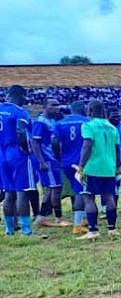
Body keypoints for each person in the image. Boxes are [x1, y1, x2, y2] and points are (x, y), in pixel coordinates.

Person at [77, 99, 121, 240]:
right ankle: (112, 229)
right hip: (109, 167)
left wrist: (81, 166)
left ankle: (93, 231)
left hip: (92, 167)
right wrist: (118, 167)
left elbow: (87, 145)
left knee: (88, 197)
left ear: (89, 111)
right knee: (109, 196)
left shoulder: (88, 125)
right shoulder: (112, 128)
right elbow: (117, 149)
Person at [0, 84, 35, 237]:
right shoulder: (19, 111)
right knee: (22, 191)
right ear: (21, 97)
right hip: (16, 153)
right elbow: (21, 130)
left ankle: (9, 229)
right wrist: (26, 149)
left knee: (8, 191)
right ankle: (26, 229)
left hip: (1, 156)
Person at [31, 97, 68, 228]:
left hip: (52, 159)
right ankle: (58, 218)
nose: (56, 107)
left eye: (57, 105)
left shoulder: (52, 120)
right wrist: (41, 161)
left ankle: (41, 217)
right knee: (56, 188)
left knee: (50, 189)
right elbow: (34, 143)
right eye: (53, 105)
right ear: (44, 106)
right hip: (47, 160)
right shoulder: (40, 122)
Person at [57, 100, 92, 235]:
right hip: (83, 162)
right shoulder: (88, 122)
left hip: (66, 162)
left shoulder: (60, 123)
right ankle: (78, 224)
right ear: (84, 110)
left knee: (79, 189)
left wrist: (58, 157)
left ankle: (83, 220)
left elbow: (55, 142)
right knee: (82, 192)